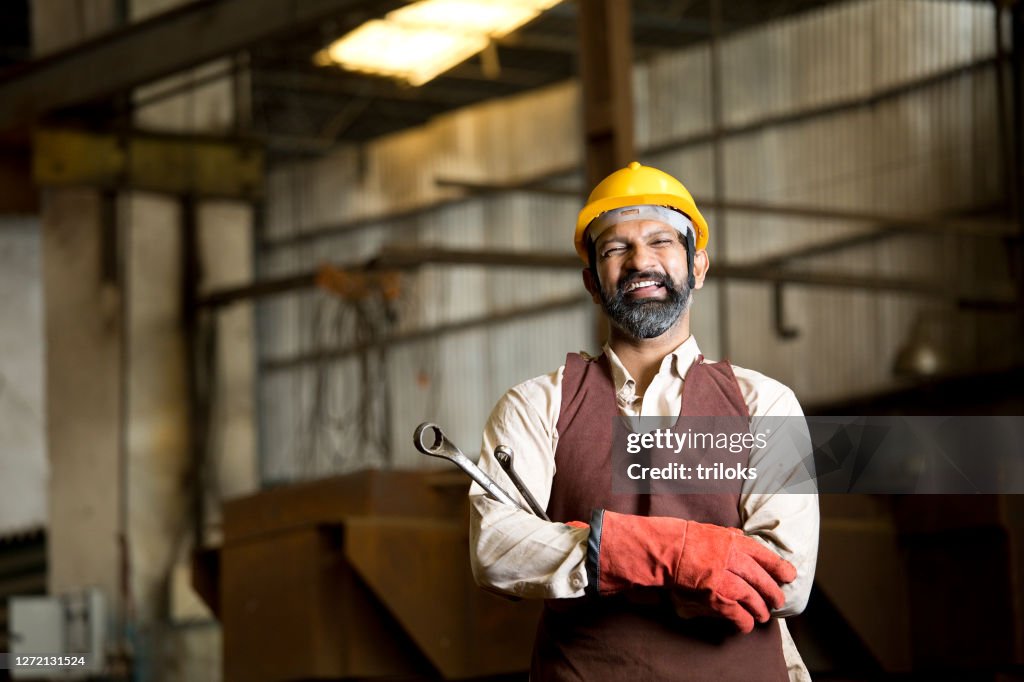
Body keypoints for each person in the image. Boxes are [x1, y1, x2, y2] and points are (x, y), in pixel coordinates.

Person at [468, 162, 819, 681]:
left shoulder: (766, 403)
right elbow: (496, 549)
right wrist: (666, 555)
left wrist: (584, 555)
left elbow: (788, 581)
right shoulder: (534, 406)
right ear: (592, 281)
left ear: (698, 266)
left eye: (660, 242)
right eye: (615, 249)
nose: (640, 262)